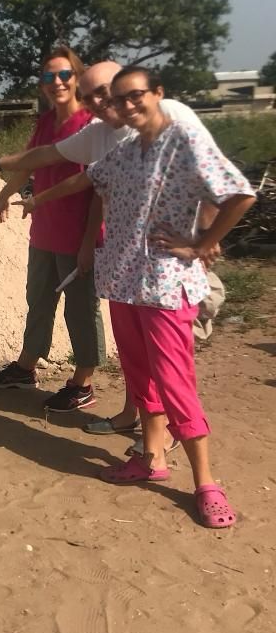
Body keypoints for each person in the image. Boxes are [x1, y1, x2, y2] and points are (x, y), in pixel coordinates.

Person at [17, 66, 256, 528]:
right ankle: (150, 458)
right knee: (140, 375)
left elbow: (238, 194)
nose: (124, 106)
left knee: (175, 382)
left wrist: (204, 243)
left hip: (166, 284)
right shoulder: (124, 148)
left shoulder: (183, 137)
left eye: (133, 96)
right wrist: (36, 199)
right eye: (113, 99)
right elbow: (85, 182)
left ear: (157, 94)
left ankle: (205, 482)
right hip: (123, 280)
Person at [0, 61, 222, 443]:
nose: (101, 101)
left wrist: (206, 234)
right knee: (135, 349)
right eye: (93, 96)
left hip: (167, 266)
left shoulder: (171, 118)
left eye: (104, 91)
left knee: (165, 356)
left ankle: (167, 438)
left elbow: (214, 178)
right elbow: (65, 168)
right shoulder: (101, 134)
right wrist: (1, 170)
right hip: (126, 259)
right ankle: (135, 420)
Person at [0, 46, 105, 414]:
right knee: (39, 302)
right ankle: (26, 367)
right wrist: (5, 191)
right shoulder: (46, 122)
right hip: (44, 232)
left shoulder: (90, 126)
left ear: (77, 79)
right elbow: (31, 162)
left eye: (64, 75)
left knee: (81, 309)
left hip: (78, 236)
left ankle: (82, 383)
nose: (57, 83)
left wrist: (88, 243)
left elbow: (99, 188)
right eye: (49, 77)